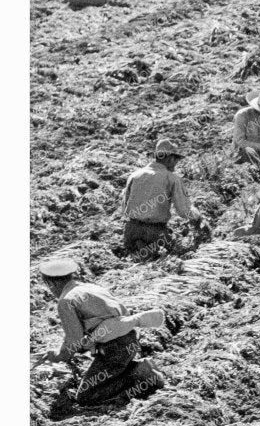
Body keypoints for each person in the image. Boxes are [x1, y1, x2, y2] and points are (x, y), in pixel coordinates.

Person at [37, 257, 165, 409]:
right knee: (107, 374)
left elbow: (75, 340)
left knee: (86, 396)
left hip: (114, 348)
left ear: (53, 283)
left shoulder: (66, 301)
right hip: (129, 338)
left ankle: (140, 374)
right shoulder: (90, 288)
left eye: (49, 286)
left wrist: (60, 356)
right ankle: (137, 370)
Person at [122, 138, 203, 256]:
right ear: (170, 158)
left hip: (130, 232)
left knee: (133, 260)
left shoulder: (134, 175)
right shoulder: (172, 178)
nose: (176, 164)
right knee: (172, 256)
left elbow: (125, 206)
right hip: (154, 234)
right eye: (176, 160)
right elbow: (184, 211)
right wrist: (198, 217)